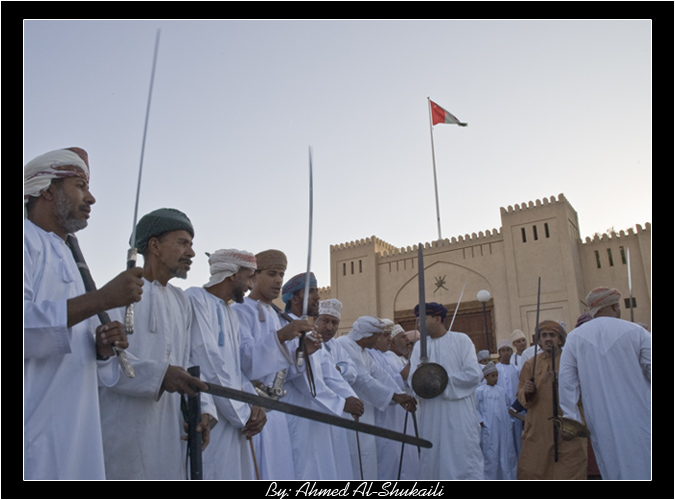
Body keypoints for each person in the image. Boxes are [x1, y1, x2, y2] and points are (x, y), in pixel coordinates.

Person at [24, 147, 143, 479]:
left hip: (78, 430)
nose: (91, 198)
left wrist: (101, 348)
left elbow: (74, 341)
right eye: (80, 186)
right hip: (32, 431)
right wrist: (101, 299)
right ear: (46, 189)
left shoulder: (70, 256)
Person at [98, 208, 213, 479]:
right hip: (125, 427)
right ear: (155, 245)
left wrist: (203, 409)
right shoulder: (117, 292)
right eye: (183, 243)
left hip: (170, 429)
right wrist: (160, 375)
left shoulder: (181, 300)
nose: (191, 253)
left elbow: (188, 361)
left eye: (192, 244)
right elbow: (103, 366)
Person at [185, 249, 267, 479]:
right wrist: (243, 414)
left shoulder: (230, 312)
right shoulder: (194, 299)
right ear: (232, 274)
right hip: (210, 414)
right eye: (249, 276)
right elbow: (206, 360)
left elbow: (234, 367)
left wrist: (254, 402)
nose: (252, 285)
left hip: (235, 415)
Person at [232, 250, 313, 479]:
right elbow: (245, 363)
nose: (278, 280)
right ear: (254, 276)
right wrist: (281, 337)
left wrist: (305, 352)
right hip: (251, 412)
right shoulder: (239, 312)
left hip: (277, 415)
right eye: (271, 273)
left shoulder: (280, 318)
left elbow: (288, 372)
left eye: (281, 274)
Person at [559, 287, 651, 480]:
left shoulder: (574, 338)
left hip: (600, 420)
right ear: (615, 306)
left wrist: (571, 416)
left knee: (612, 468)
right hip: (641, 415)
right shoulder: (637, 332)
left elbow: (567, 383)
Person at [280, 274, 362, 479]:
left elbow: (329, 373)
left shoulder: (309, 332)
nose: (318, 296)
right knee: (302, 469)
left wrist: (351, 397)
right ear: (295, 298)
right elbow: (303, 378)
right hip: (297, 411)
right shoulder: (288, 327)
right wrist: (341, 403)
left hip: (318, 412)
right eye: (313, 292)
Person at [335, 316, 417, 479]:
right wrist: (395, 396)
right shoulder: (344, 344)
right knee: (355, 457)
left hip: (366, 412)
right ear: (369, 336)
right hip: (349, 411)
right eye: (379, 335)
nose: (382, 339)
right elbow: (362, 379)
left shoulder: (363, 352)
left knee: (367, 458)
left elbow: (381, 375)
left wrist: (400, 396)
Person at [409, 302, 484, 480]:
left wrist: (439, 379)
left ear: (438, 318)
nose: (419, 325)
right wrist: (421, 378)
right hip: (431, 414)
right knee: (433, 460)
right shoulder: (419, 347)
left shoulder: (461, 340)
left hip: (458, 413)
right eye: (417, 320)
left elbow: (473, 374)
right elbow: (412, 379)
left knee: (462, 458)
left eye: (423, 319)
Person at [516, 320, 587, 480]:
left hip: (567, 429)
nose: (548, 339)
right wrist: (527, 391)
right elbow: (521, 395)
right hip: (538, 430)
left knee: (569, 470)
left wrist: (563, 382)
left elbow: (585, 392)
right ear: (539, 341)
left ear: (560, 339)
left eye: (552, 335)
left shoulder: (572, 362)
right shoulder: (530, 364)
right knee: (532, 470)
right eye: (544, 336)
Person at [314, 298, 363, 479]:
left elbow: (352, 370)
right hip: (315, 410)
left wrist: (338, 369)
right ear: (315, 320)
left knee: (337, 462)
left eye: (335, 323)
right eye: (325, 320)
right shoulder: (310, 342)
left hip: (337, 411)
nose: (329, 327)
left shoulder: (336, 346)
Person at [369, 321, 420, 480]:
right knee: (392, 461)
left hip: (402, 417)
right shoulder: (385, 357)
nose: (407, 340)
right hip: (388, 418)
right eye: (402, 337)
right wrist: (417, 354)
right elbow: (401, 378)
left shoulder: (398, 359)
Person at [475, 362, 517, 480]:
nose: (495, 378)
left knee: (506, 453)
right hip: (490, 428)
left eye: (496, 375)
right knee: (491, 454)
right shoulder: (480, 391)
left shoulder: (501, 390)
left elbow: (505, 406)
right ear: (486, 377)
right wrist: (481, 421)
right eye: (492, 376)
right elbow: (475, 408)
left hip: (503, 427)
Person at [496, 339, 523, 456]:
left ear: (511, 352)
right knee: (506, 440)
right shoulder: (495, 369)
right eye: (503, 350)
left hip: (515, 408)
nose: (506, 353)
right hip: (501, 409)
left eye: (508, 350)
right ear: (499, 353)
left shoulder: (516, 369)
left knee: (518, 439)